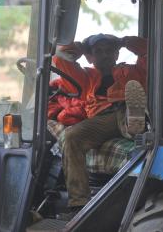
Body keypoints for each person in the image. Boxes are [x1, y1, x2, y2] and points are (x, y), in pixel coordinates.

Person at [53, 33, 148, 219]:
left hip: (128, 107)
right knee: (71, 136)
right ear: (90, 57)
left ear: (117, 54)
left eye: (109, 51)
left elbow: (150, 54)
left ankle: (134, 122)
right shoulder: (85, 76)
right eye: (99, 51)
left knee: (132, 110)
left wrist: (126, 42)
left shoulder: (130, 71)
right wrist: (80, 47)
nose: (105, 55)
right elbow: (61, 58)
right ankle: (78, 204)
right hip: (103, 117)